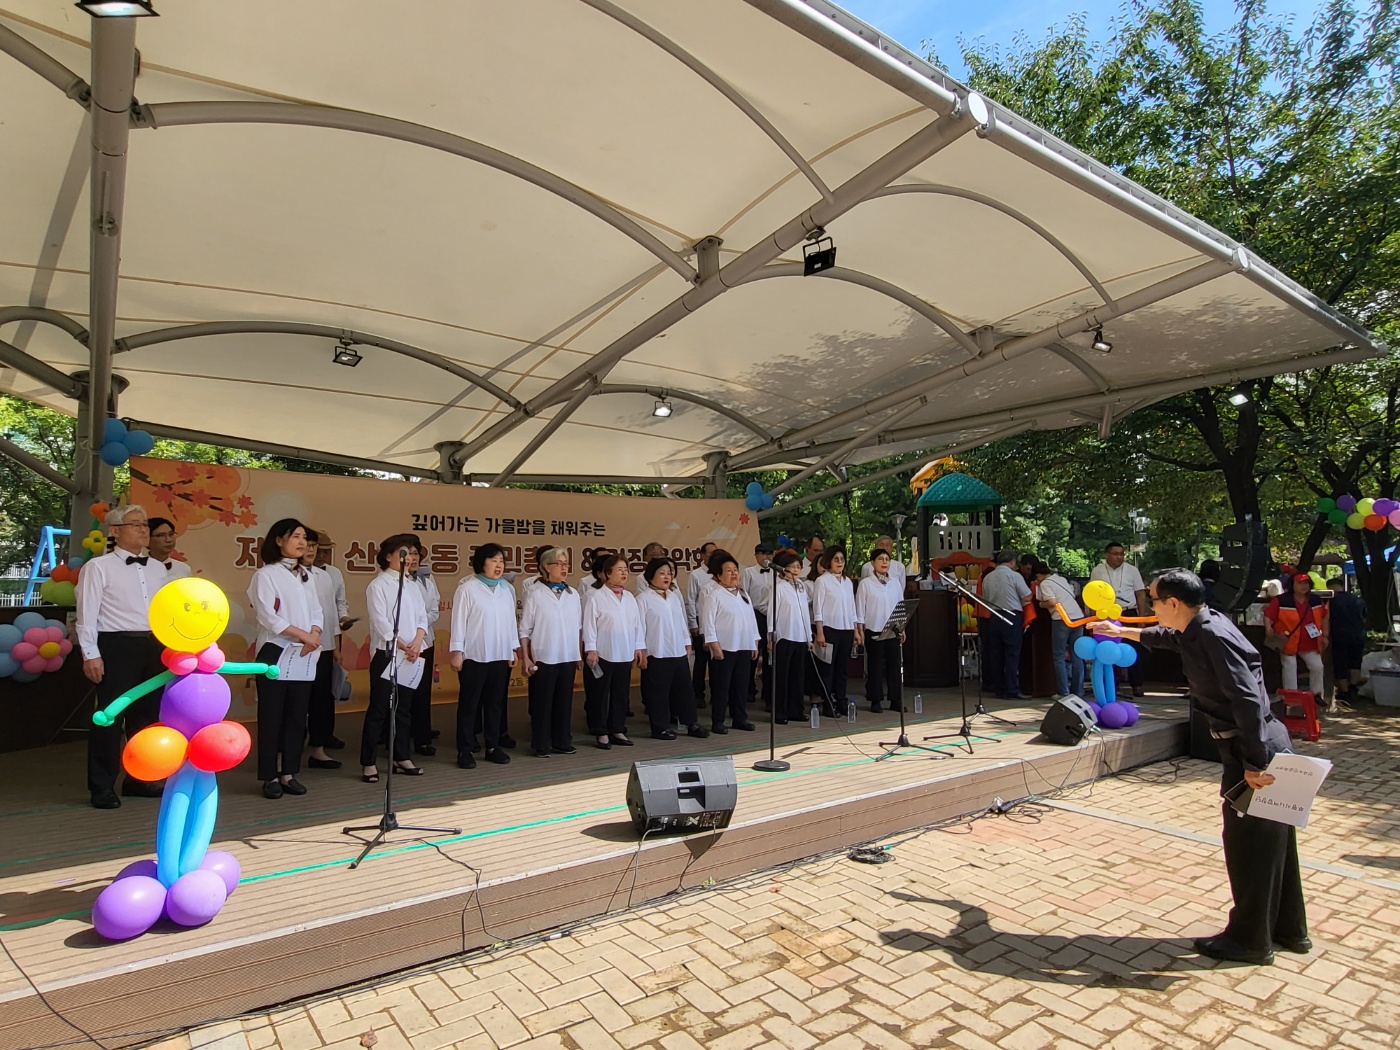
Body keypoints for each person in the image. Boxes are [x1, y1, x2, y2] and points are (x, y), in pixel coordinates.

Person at [1101, 569, 1306, 965]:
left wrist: (1253, 763)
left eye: (1155, 600)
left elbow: (1246, 699)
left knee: (1249, 847)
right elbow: (1170, 640)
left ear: (1173, 604)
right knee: (1273, 846)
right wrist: (1121, 630)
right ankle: (1287, 930)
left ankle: (1249, 941)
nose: (1152, 607)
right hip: (1261, 746)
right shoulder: (1202, 626)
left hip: (1257, 751)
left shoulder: (1211, 634)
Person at [76, 504, 172, 809]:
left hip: (153, 645)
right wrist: (91, 654)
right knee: (110, 716)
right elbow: (86, 614)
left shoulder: (159, 568)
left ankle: (140, 778)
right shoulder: (99, 567)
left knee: (147, 717)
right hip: (116, 646)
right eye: (135, 525)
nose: (142, 529)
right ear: (115, 531)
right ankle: (102, 785)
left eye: (144, 524)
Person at [247, 518, 323, 799]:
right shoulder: (265, 575)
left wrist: (314, 632)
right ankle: (269, 776)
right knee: (272, 717)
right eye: (295, 537)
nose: (302, 542)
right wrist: (303, 634)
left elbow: (317, 609)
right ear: (278, 540)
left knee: (296, 716)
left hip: (304, 651)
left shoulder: (307, 575)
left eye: (304, 537)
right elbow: (268, 616)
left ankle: (289, 772)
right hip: (276, 650)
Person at [359, 535, 428, 783]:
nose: (408, 558)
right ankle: (368, 762)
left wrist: (417, 642)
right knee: (379, 708)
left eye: (410, 553)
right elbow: (382, 624)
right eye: (402, 552)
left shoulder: (412, 584)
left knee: (404, 709)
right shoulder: (379, 585)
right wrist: (402, 644)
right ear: (388, 556)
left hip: (412, 654)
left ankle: (401, 756)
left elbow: (423, 618)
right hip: (388, 653)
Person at [449, 543, 520, 768]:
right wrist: (457, 652)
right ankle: (465, 750)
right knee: (469, 705)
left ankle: (492, 746)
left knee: (495, 704)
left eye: (501, 561)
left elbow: (511, 622)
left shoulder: (506, 590)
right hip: (474, 655)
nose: (499, 566)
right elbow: (458, 622)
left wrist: (512, 649)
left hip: (499, 654)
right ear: (481, 563)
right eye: (493, 561)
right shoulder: (467, 588)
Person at [518, 546, 582, 757]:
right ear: (546, 567)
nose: (564, 568)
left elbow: (578, 627)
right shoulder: (535, 594)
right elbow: (525, 629)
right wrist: (526, 657)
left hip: (567, 654)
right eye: (559, 564)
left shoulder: (572, 594)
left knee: (564, 700)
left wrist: (579, 653)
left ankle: (562, 740)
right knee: (542, 702)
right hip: (543, 655)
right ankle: (541, 743)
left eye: (566, 564)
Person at [636, 556, 707, 739]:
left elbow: (682, 621)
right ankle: (659, 727)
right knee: (658, 692)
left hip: (677, 650)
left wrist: (687, 641)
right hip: (656, 652)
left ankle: (691, 723)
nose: (667, 577)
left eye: (669, 573)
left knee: (684, 689)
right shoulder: (643, 598)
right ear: (651, 576)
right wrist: (641, 651)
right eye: (662, 573)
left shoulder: (674, 597)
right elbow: (638, 627)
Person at [581, 553, 644, 749]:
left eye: (626, 570)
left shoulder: (629, 597)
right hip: (602, 652)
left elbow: (637, 625)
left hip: (624, 652)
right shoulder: (595, 596)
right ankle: (601, 732)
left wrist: (638, 646)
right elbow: (588, 624)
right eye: (619, 570)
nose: (624, 573)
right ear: (606, 574)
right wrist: (590, 649)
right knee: (599, 694)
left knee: (620, 694)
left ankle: (617, 729)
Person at [701, 549, 760, 734]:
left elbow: (751, 619)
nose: (734, 573)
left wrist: (754, 642)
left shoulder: (743, 594)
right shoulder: (714, 595)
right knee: (721, 686)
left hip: (743, 645)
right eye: (728, 570)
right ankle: (718, 721)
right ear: (718, 575)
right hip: (724, 648)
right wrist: (714, 645)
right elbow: (708, 622)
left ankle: (739, 718)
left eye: (735, 570)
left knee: (740, 685)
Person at [301, 529, 342, 770]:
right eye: (307, 545)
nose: (312, 550)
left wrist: (335, 644)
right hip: (296, 647)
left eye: (315, 546)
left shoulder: (326, 576)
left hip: (323, 646)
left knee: (321, 699)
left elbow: (332, 613)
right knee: (295, 701)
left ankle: (318, 749)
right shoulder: (281, 575)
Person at [1090, 542, 1150, 697]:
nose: (1119, 557)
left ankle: (1137, 684)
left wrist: (1141, 617)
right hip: (1106, 614)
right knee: (1109, 648)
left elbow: (1140, 594)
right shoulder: (1098, 571)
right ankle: (1112, 684)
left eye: (1121, 554)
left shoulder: (1132, 570)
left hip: (1128, 612)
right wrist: (1093, 617)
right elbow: (1092, 594)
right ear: (1107, 555)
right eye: (1115, 553)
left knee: (1133, 648)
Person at [1263, 573, 1329, 701]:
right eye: (1300, 583)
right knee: (1289, 667)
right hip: (1289, 641)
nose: (1304, 586)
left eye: (1306, 583)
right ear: (1292, 585)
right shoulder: (1281, 600)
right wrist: (1268, 627)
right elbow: (1268, 614)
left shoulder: (1315, 600)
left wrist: (1325, 634)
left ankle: (1317, 695)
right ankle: (1291, 697)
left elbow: (1325, 615)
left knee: (1317, 666)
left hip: (1310, 641)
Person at [811, 547, 861, 713]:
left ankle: (841, 700)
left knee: (842, 668)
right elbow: (818, 608)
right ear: (829, 561)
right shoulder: (822, 581)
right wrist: (820, 632)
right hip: (829, 629)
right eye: (836, 559)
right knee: (828, 669)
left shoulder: (847, 582)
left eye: (842, 559)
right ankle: (828, 702)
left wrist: (855, 630)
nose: (840, 562)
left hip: (846, 628)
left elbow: (852, 607)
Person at [406, 538, 443, 755]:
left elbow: (434, 610)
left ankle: (422, 736)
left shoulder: (427, 579)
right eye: (408, 553)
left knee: (421, 691)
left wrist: (418, 629)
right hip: (402, 645)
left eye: (416, 553)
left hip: (424, 642)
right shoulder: (392, 581)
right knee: (402, 692)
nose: (413, 558)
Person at [856, 547, 905, 713]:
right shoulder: (866, 584)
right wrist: (860, 630)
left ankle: (895, 699)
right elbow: (860, 609)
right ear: (872, 563)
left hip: (892, 629)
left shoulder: (895, 583)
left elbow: (900, 605)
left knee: (894, 664)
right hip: (874, 628)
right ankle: (875, 700)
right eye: (880, 559)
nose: (884, 562)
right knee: (875, 666)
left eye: (887, 559)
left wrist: (902, 627)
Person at [767, 550, 812, 723]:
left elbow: (805, 614)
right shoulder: (778, 587)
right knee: (782, 676)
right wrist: (771, 637)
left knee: (798, 676)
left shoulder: (801, 586)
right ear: (783, 569)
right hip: (784, 636)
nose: (795, 570)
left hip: (800, 636)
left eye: (798, 567)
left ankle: (796, 710)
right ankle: (780, 712)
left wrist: (809, 637)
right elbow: (772, 613)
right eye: (791, 567)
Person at [981, 551, 1032, 700]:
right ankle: (1011, 690)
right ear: (1011, 562)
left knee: (996, 654)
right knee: (1012, 653)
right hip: (1011, 616)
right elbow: (1027, 595)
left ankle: (998, 688)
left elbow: (985, 598)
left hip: (994, 616)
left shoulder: (988, 577)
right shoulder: (1014, 576)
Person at [1034, 561, 1085, 700]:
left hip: (1062, 618)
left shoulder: (1045, 584)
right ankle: (1078, 691)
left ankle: (1063, 692)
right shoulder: (1061, 579)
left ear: (1038, 575)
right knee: (1077, 655)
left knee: (1059, 656)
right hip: (1078, 618)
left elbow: (1051, 602)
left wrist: (1040, 604)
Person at [1325, 576, 1366, 711]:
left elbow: (1327, 619)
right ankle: (1354, 688)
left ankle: (1345, 693)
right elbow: (1364, 617)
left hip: (1340, 637)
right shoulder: (1357, 600)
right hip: (1358, 635)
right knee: (1355, 663)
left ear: (1330, 587)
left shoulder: (1331, 602)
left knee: (1341, 664)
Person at [685, 541, 718, 708]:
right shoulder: (696, 575)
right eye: (710, 553)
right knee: (701, 661)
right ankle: (698, 694)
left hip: (718, 622)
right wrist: (693, 624)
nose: (712, 556)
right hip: (701, 620)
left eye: (716, 552)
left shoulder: (720, 574)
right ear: (703, 555)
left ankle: (716, 694)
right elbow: (690, 600)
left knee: (716, 661)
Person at [742, 542, 775, 706]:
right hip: (754, 614)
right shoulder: (749, 572)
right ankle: (749, 689)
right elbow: (744, 596)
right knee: (753, 654)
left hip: (772, 615)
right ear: (756, 555)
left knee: (770, 655)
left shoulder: (776, 573)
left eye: (770, 553)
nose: (767, 556)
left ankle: (768, 692)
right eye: (763, 553)